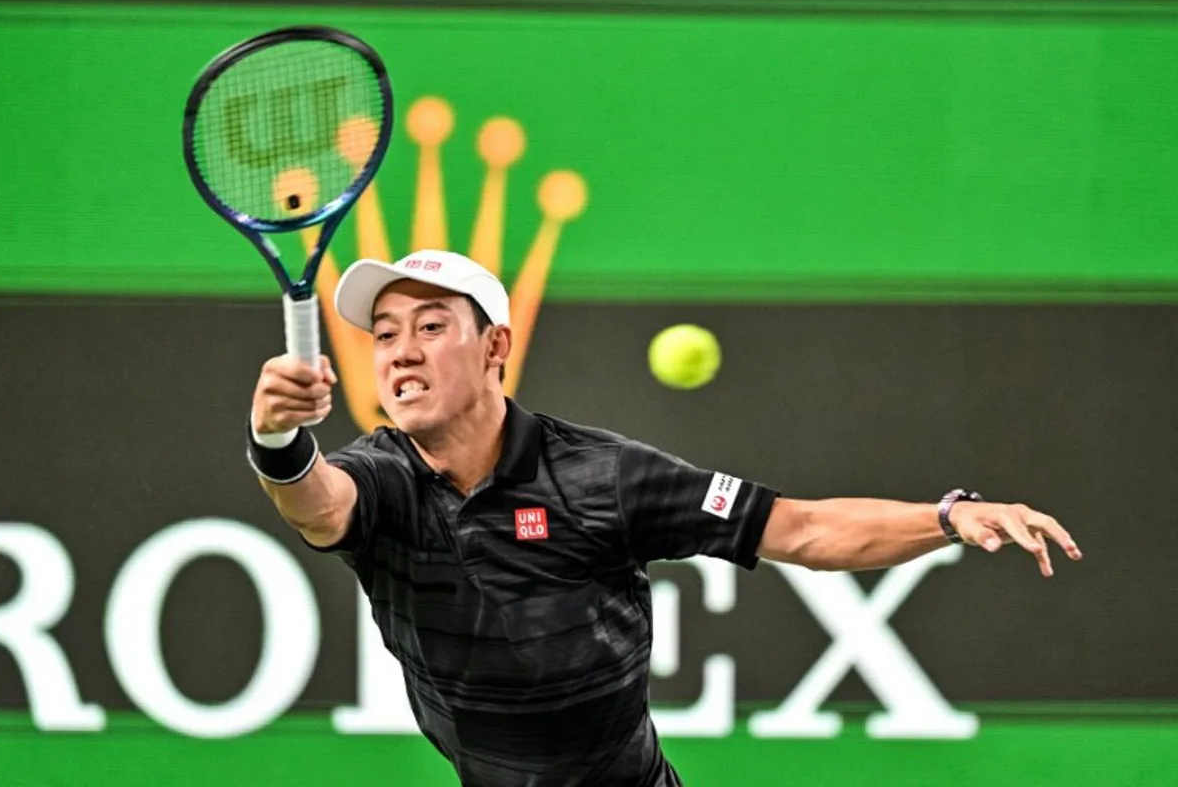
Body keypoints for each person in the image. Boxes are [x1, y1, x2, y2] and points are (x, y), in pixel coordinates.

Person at [246, 249, 1083, 787]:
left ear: (496, 347)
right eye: (385, 334)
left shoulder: (601, 476)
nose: (400, 352)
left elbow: (800, 529)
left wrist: (947, 516)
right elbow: (318, 505)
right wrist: (277, 435)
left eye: (432, 327)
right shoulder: (383, 478)